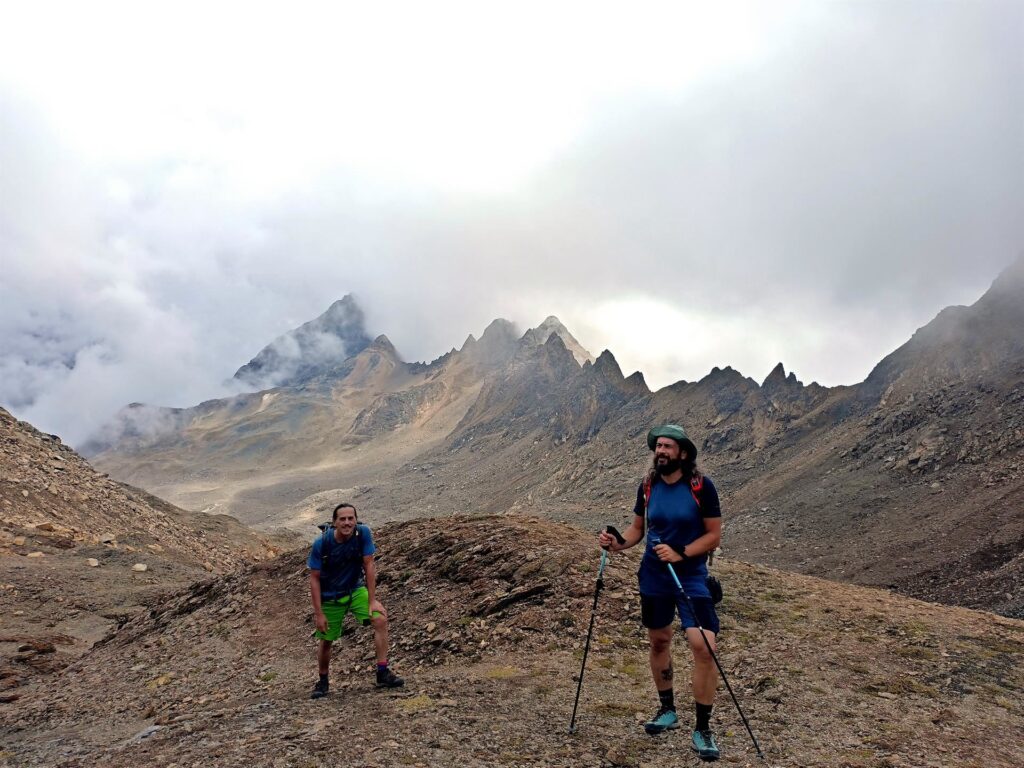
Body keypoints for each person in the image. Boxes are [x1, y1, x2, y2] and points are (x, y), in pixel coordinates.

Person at [598, 424, 723, 762]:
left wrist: (681, 552)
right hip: (654, 575)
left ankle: (703, 728)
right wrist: (617, 543)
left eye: (668, 446)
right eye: (658, 446)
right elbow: (638, 528)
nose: (661, 451)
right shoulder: (649, 485)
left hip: (692, 575)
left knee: (704, 646)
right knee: (659, 641)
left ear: (683, 453)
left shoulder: (701, 486)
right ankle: (667, 710)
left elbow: (713, 536)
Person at [308, 502, 404, 698]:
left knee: (380, 619)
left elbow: (369, 565)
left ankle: (382, 672)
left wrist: (372, 601)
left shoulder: (363, 534)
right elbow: (314, 578)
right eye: (342, 519)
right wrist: (319, 613)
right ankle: (323, 681)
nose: (347, 522)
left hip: (355, 589)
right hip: (330, 596)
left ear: (356, 519)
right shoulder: (322, 543)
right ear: (334, 522)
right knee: (326, 639)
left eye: (350, 518)